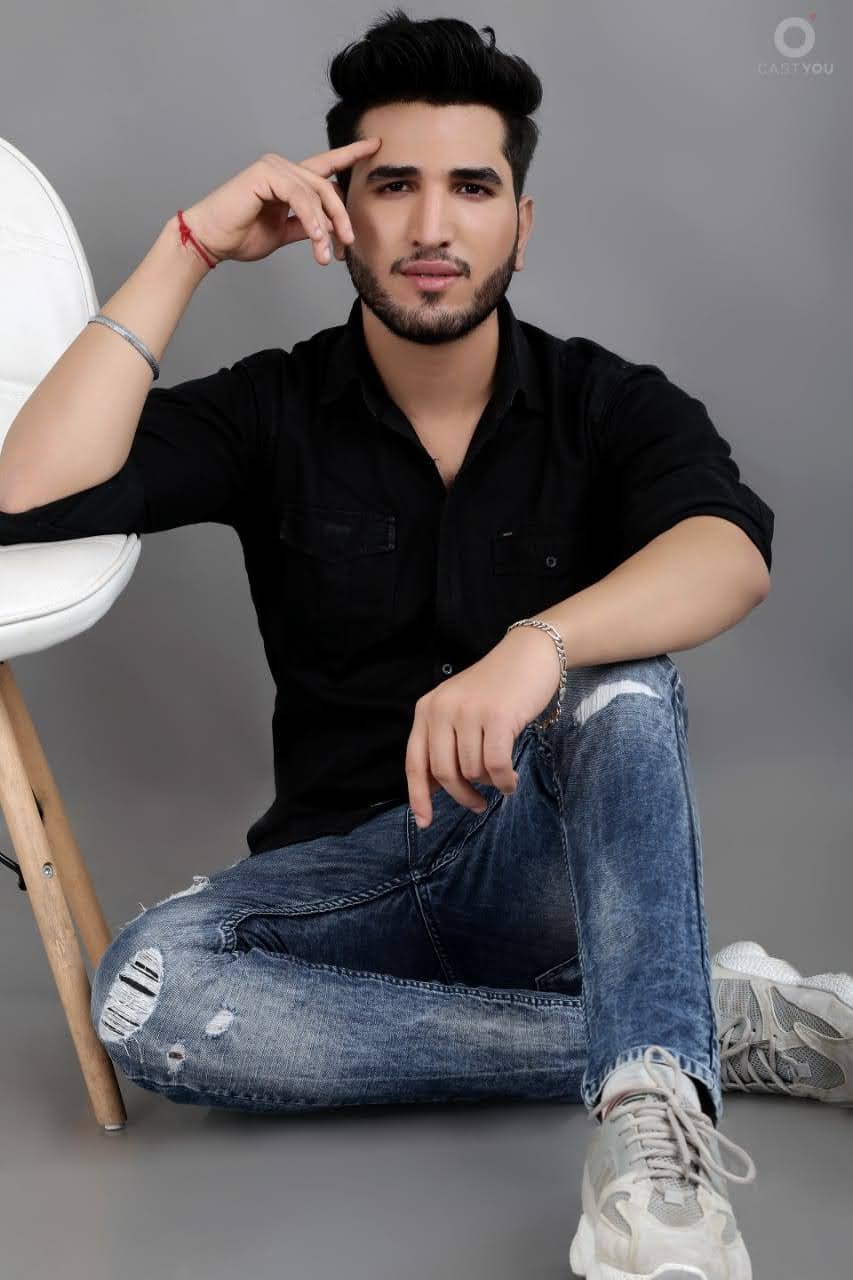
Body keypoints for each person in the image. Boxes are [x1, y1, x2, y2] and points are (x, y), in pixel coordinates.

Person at [1, 10, 851, 1277]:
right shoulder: (273, 407)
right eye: (392, 185)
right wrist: (191, 246)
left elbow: (729, 550)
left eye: (472, 187)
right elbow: (26, 491)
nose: (432, 226)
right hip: (333, 890)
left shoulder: (607, 401)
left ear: (522, 221)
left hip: (534, 879)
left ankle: (648, 1138)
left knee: (619, 681)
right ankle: (687, 1025)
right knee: (147, 993)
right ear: (337, 213)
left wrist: (539, 641)